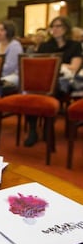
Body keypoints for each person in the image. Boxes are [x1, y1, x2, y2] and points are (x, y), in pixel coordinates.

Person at [24, 16, 82, 147]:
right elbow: (38, 66)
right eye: (52, 26)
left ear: (66, 28)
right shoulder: (45, 46)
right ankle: (33, 129)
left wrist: (53, 64)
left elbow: (74, 67)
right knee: (31, 90)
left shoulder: (74, 45)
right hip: (44, 80)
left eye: (58, 26)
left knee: (51, 88)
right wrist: (60, 64)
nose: (54, 29)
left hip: (64, 81)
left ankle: (47, 126)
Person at [0, 20, 23, 95]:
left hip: (13, 75)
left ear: (9, 31)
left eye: (2, 30)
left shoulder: (15, 45)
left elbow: (10, 67)